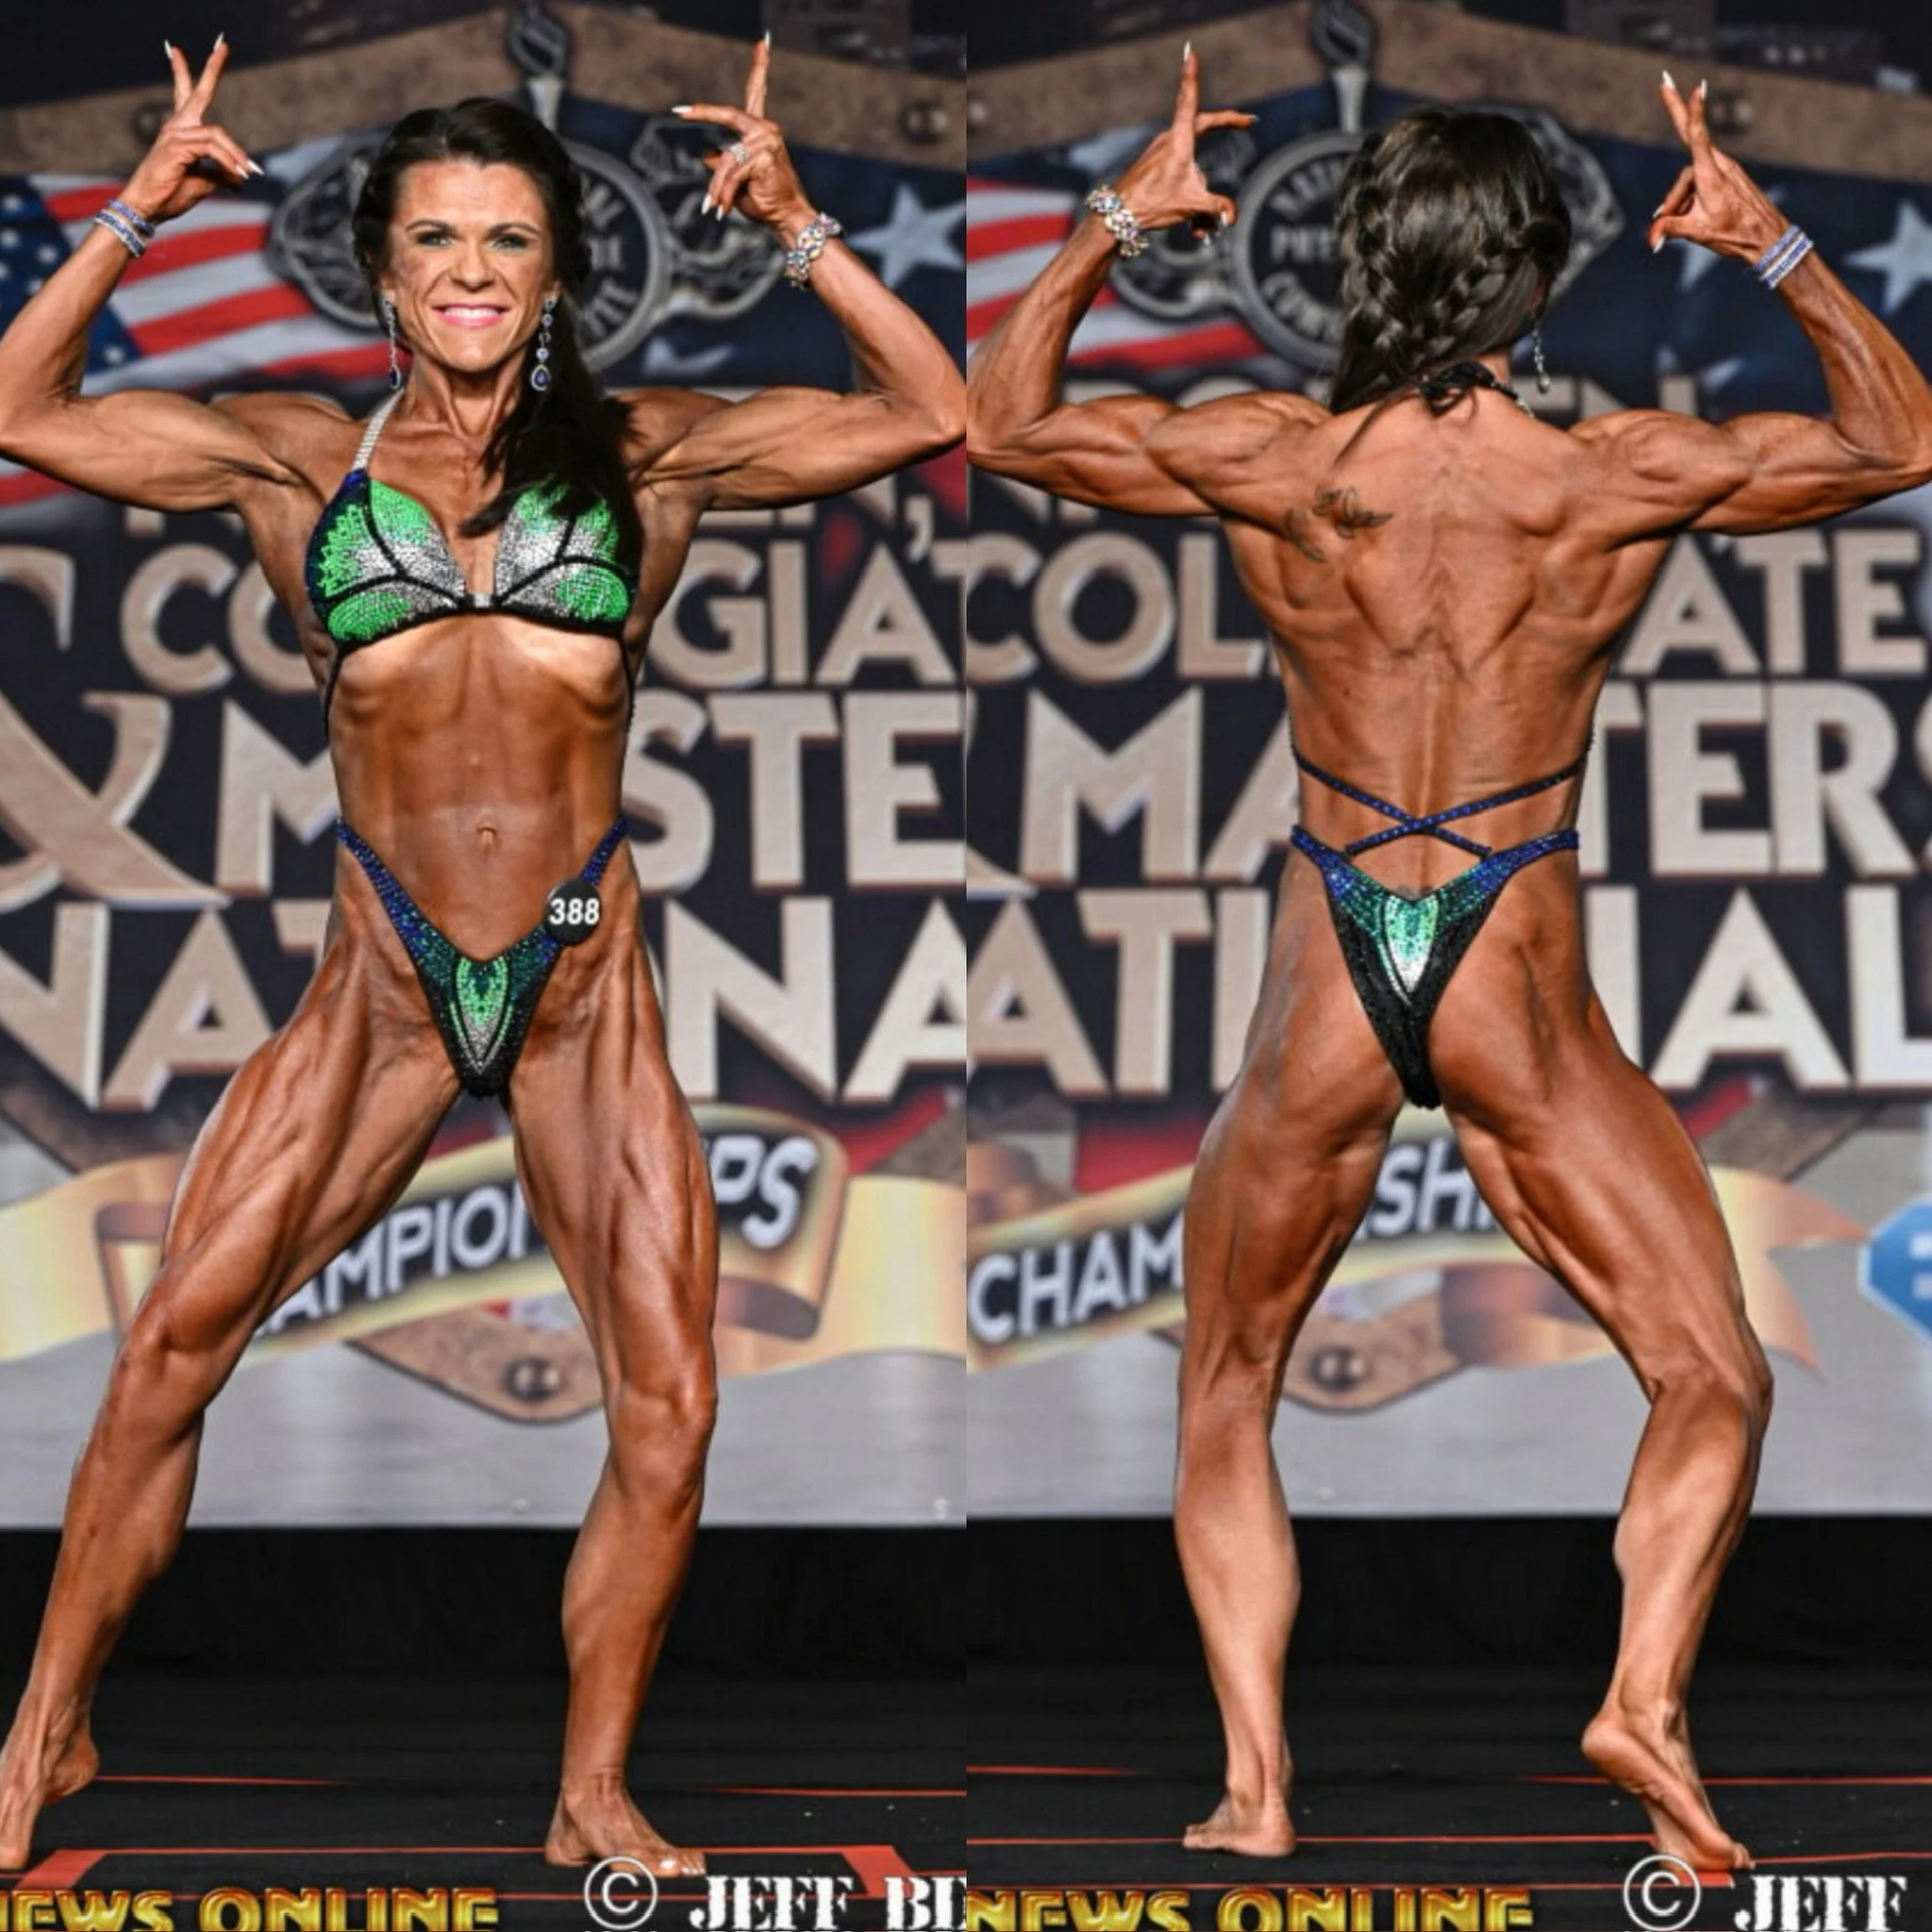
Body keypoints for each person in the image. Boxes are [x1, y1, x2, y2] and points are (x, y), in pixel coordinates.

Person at [0, 35, 962, 1874]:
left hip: (582, 994)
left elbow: (926, 410)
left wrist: (801, 220)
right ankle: (40, 1732)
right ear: (380, 269)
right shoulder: (299, 465)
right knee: (166, 1352)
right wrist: (132, 209)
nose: (466, 269)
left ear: (554, 270)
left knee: (671, 1406)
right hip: (378, 988)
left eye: (505, 240)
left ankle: (592, 1789)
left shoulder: (644, 458)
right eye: (434, 237)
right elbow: (22, 407)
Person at [967, 53, 1932, 1870]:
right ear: (1537, 276)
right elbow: (1902, 442)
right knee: (1711, 1372)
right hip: (1513, 949)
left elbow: (1005, 425)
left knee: (1228, 1383)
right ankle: (1640, 1700)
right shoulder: (1606, 477)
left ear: (1365, 267)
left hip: (1334, 950)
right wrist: (1777, 245)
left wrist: (1110, 222)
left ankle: (1254, 1792)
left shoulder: (1275, 459)